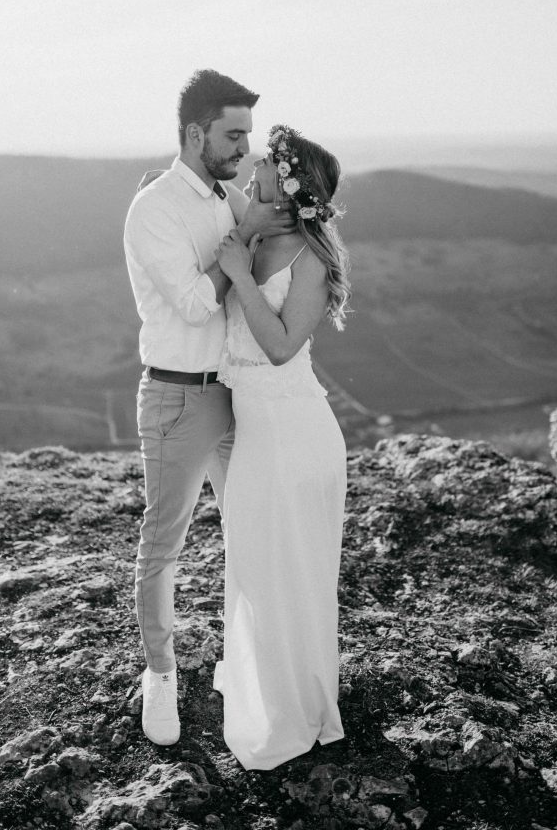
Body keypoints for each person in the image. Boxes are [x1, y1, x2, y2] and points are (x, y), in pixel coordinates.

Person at [123, 71, 294, 747]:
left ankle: (250, 665)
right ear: (195, 134)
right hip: (178, 396)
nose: (245, 148)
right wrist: (243, 236)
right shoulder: (155, 208)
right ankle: (160, 675)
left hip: (236, 391)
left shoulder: (230, 197)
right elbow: (197, 305)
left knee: (250, 527)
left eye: (248, 135)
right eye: (233, 134)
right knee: (164, 542)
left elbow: (265, 253)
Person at [212, 123, 351, 770]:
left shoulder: (309, 259)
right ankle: (265, 690)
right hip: (256, 435)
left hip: (294, 437)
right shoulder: (257, 232)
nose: (254, 164)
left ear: (289, 182)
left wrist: (240, 275)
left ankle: (296, 709)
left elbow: (279, 348)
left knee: (287, 575)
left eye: (266, 160)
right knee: (254, 567)